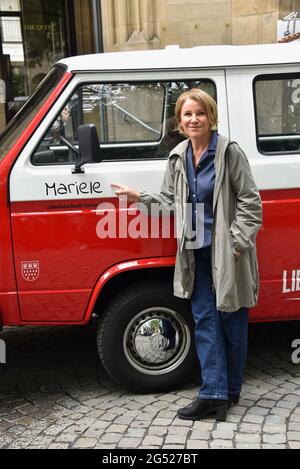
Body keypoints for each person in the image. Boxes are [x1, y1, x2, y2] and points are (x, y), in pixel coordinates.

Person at [111, 88, 262, 422]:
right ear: (179, 122)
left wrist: (237, 242)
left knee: (232, 322)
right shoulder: (178, 156)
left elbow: (251, 202)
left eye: (200, 113)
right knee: (205, 320)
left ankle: (229, 390)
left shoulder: (229, 153)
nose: (194, 119)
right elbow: (169, 201)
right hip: (195, 253)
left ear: (210, 117)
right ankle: (213, 394)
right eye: (187, 115)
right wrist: (140, 197)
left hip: (229, 253)